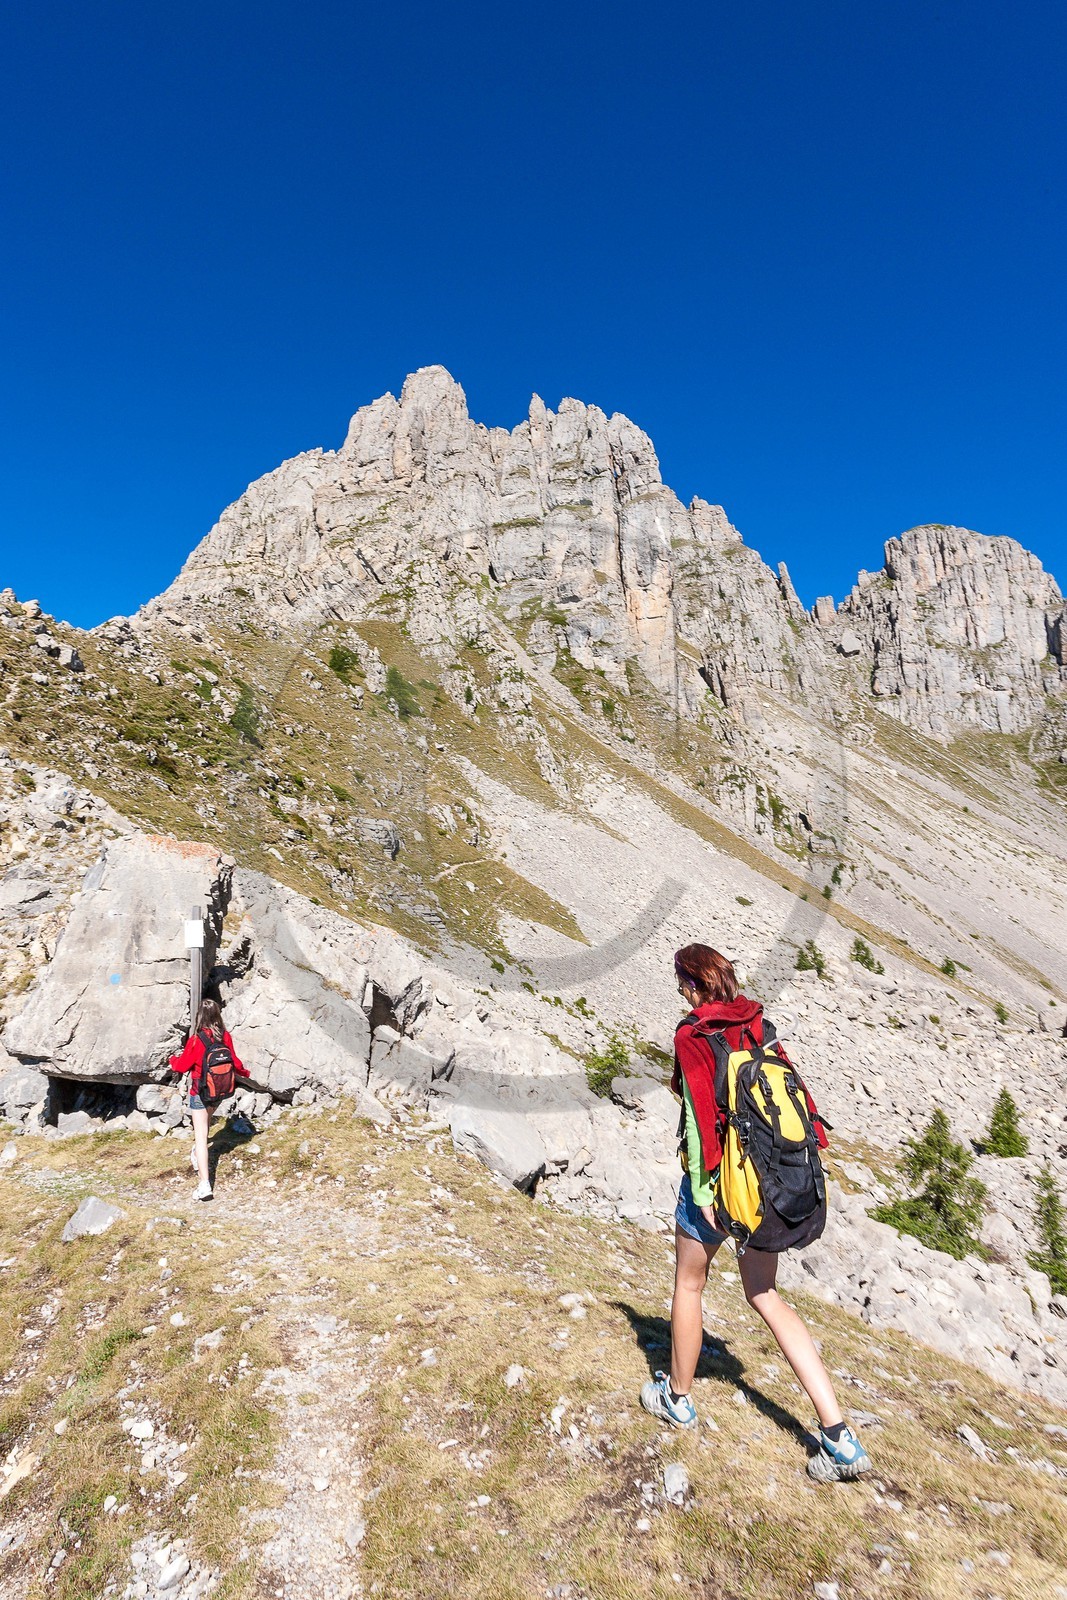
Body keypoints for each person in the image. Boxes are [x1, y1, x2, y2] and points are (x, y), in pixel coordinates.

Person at [640, 942, 872, 1483]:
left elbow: (701, 1118)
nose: (679, 990)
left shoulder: (693, 1034)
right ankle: (839, 1436)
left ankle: (676, 1398)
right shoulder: (755, 1021)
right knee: (765, 1294)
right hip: (767, 1185)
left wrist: (704, 1195)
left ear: (694, 983)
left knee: (690, 1286)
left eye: (681, 981)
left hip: (720, 1189)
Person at [168, 998, 249, 1201]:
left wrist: (172, 1060)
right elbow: (235, 1061)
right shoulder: (225, 1037)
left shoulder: (196, 1040)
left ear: (199, 1017)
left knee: (201, 1137)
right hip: (219, 1091)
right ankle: (198, 1155)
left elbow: (182, 1065)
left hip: (200, 1093)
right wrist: (245, 1072)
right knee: (205, 1127)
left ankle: (204, 1184)